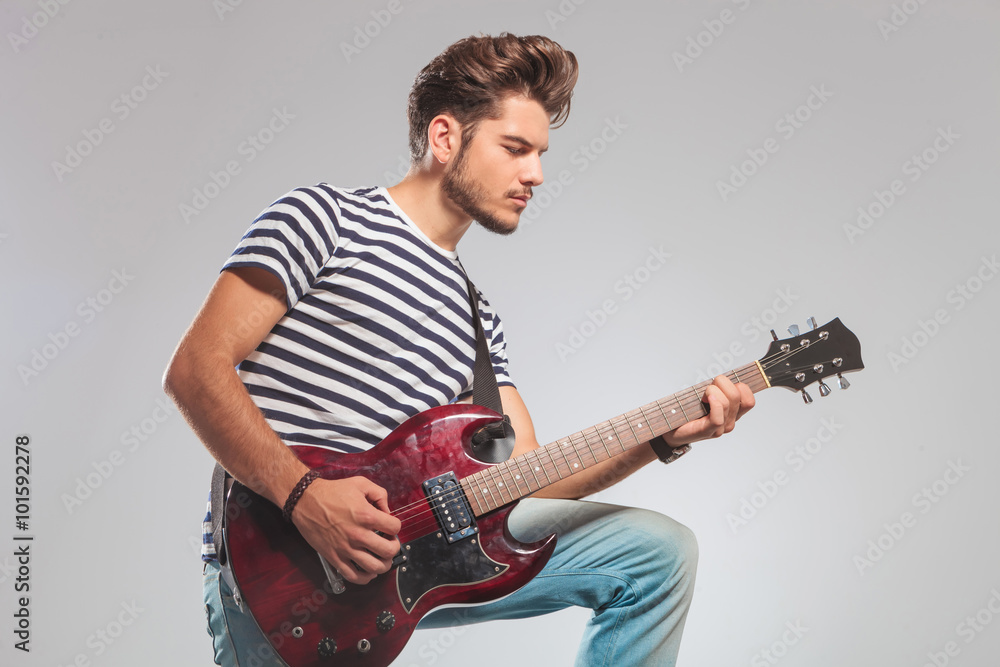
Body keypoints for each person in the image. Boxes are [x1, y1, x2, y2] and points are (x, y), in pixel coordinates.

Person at [163, 32, 755, 667]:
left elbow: (529, 478)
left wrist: (660, 439)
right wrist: (303, 493)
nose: (535, 174)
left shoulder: (479, 321)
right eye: (515, 148)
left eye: (540, 154)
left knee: (658, 554)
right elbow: (196, 369)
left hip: (413, 562)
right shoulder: (324, 219)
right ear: (445, 138)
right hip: (281, 569)